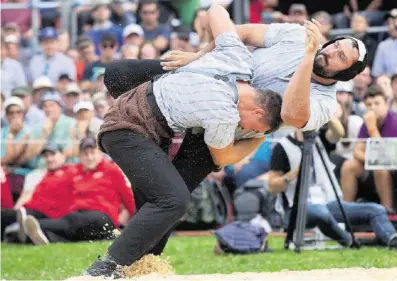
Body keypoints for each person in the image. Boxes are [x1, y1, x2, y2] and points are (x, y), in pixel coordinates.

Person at [82, 5, 283, 278]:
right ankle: (106, 267)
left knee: (157, 207)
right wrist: (259, 139)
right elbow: (222, 158)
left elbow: (216, 9)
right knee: (174, 199)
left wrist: (201, 53)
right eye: (251, 127)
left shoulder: (238, 59)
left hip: (146, 111)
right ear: (258, 112)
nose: (243, 129)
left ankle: (139, 268)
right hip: (127, 128)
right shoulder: (223, 113)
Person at [269, 130, 397, 249]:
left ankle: (392, 239)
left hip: (328, 202)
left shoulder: (318, 139)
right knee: (320, 212)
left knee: (375, 209)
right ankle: (349, 241)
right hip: (295, 209)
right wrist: (292, 175)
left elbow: (338, 132)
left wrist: (326, 110)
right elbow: (272, 185)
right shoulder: (282, 147)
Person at [23, 137, 135, 245]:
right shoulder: (75, 172)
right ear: (80, 157)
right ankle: (42, 236)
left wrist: (136, 226)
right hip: (78, 219)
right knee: (69, 226)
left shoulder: (111, 170)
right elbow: (56, 188)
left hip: (101, 217)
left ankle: (33, 227)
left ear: (100, 154)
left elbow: (128, 198)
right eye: (85, 154)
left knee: (71, 221)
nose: (90, 157)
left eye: (93, 153)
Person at [339, 85, 397, 220]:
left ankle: (388, 212)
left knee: (379, 168)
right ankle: (347, 212)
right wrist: (371, 158)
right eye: (369, 104)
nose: (373, 108)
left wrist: (372, 129)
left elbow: (386, 156)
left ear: (386, 104)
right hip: (377, 164)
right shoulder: (368, 122)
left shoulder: (395, 123)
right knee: (349, 166)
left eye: (377, 103)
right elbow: (357, 152)